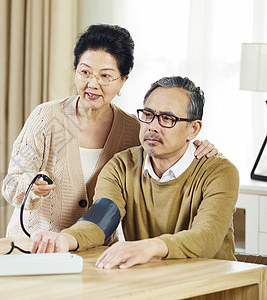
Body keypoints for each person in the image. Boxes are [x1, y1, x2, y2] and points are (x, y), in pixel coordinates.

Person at [2, 24, 219, 238]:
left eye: (105, 76)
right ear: (75, 71)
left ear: (123, 80)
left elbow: (166, 158)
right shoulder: (46, 118)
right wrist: (30, 185)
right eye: (84, 72)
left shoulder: (135, 130)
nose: (92, 84)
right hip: (34, 243)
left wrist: (195, 149)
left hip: (97, 252)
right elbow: (10, 183)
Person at [29, 76, 239, 270]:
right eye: (148, 115)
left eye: (167, 119)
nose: (152, 127)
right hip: (150, 281)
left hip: (213, 284)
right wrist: (64, 240)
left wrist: (150, 247)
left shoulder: (219, 172)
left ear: (193, 129)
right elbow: (100, 220)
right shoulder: (121, 166)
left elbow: (207, 237)